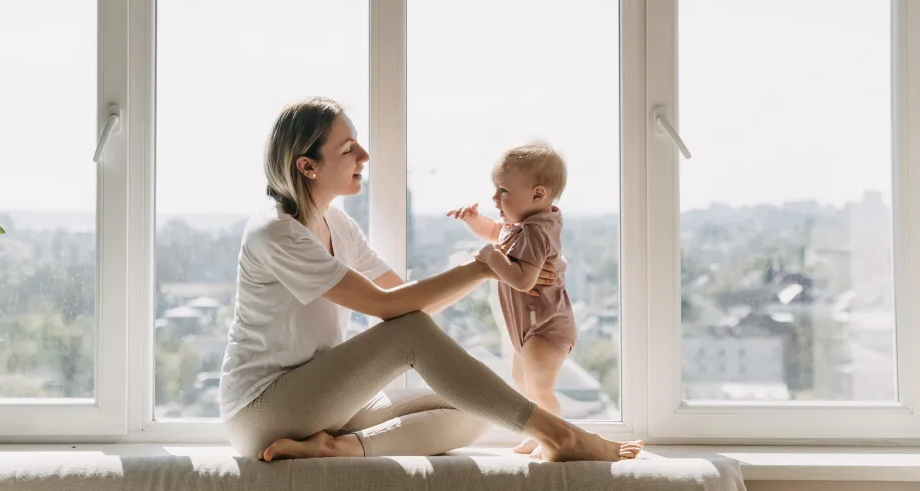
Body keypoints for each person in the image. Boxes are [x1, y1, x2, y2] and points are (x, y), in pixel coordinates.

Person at [219, 96, 642, 462]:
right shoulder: (276, 232)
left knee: (480, 404)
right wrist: (487, 265)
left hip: (322, 400)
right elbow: (389, 310)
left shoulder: (337, 223)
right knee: (413, 336)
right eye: (349, 149)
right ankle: (561, 434)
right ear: (308, 166)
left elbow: (401, 298)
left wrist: (494, 266)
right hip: (264, 409)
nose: (364, 156)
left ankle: (341, 448)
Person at [448, 142, 577, 458]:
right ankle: (539, 434)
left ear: (537, 195)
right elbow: (497, 233)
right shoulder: (522, 226)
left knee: (540, 388)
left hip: (546, 328)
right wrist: (474, 222)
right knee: (525, 383)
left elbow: (522, 279)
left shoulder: (535, 231)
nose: (495, 198)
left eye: (503, 191)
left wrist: (491, 259)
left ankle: (557, 439)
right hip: (530, 328)